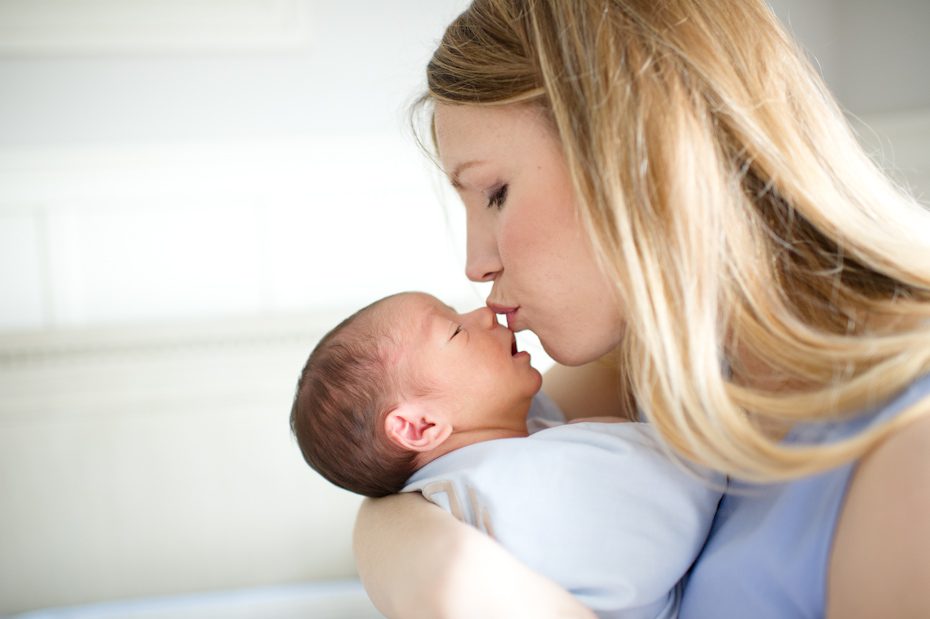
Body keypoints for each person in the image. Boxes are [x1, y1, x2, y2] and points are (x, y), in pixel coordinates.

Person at [353, 1, 930, 618]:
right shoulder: (654, 365)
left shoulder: (910, 456)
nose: (476, 265)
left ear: (638, 149)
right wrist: (450, 576)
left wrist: (452, 578)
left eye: (496, 193)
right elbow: (402, 486)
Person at [291, 291, 722, 618]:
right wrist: (636, 439)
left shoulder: (487, 462)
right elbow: (688, 480)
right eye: (455, 331)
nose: (483, 313)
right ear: (419, 426)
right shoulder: (506, 485)